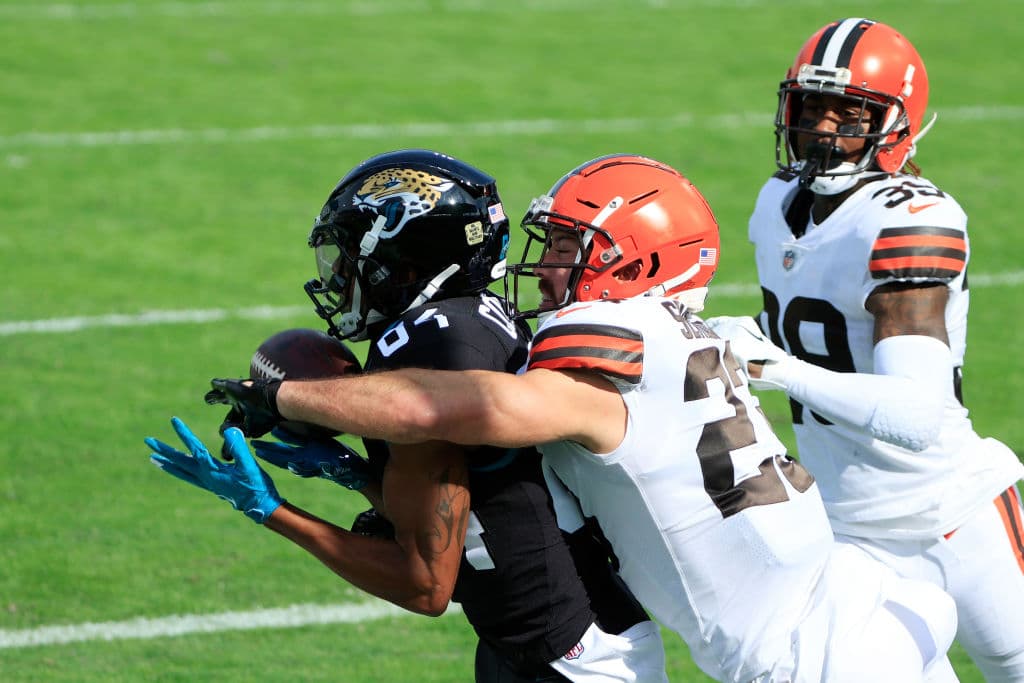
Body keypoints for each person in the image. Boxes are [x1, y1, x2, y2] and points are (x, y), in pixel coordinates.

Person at [207, 153, 960, 683]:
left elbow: (457, 405)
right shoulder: (679, 331)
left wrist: (286, 397)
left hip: (812, 659)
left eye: (570, 245)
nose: (543, 266)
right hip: (867, 602)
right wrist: (364, 472)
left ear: (634, 264)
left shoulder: (605, 348)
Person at [147, 149, 667, 683]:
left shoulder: (421, 353)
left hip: (574, 662)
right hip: (548, 637)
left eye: (353, 259)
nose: (342, 276)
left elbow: (426, 585)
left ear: (405, 261)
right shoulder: (473, 320)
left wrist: (269, 510)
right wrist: (354, 474)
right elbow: (470, 513)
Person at [704, 17, 1024, 681]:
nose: (822, 129)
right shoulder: (774, 202)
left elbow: (914, 415)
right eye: (809, 107)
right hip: (847, 532)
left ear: (895, 122)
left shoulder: (910, 220)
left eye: (847, 113)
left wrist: (772, 366)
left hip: (953, 515)